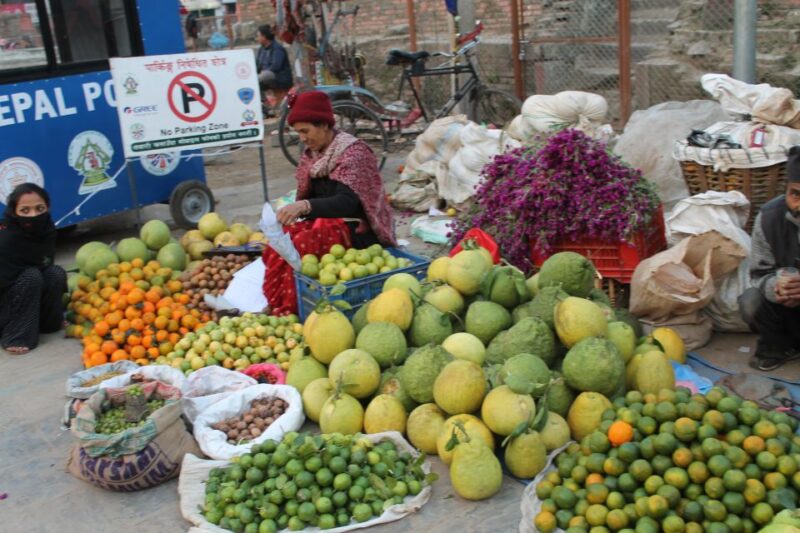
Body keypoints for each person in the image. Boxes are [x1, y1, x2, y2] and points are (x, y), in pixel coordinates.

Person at [276, 90, 396, 248]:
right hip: (328, 225)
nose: (302, 139)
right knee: (280, 243)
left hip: (359, 231)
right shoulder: (312, 155)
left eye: (305, 131)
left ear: (325, 125)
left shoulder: (354, 153)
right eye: (298, 132)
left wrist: (304, 206)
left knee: (298, 247)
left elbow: (347, 203)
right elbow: (312, 197)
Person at [738, 146, 800, 371]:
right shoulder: (768, 219)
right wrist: (778, 288)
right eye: (795, 194)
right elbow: (758, 275)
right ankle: (778, 347)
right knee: (751, 302)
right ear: (786, 191)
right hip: (786, 308)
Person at [0, 183, 67, 355]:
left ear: (48, 207)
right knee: (31, 276)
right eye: (25, 211)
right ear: (14, 212)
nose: (34, 215)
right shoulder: (5, 238)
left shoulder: (47, 230)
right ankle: (16, 335)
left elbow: (45, 266)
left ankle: (48, 323)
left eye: (39, 208)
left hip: (25, 292)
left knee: (55, 273)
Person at [255, 25, 293, 92]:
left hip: (279, 77)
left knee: (262, 77)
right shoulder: (261, 49)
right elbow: (257, 65)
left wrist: (263, 72)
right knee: (252, 78)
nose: (257, 38)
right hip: (266, 75)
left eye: (258, 36)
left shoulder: (277, 48)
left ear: (264, 37)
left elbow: (276, 66)